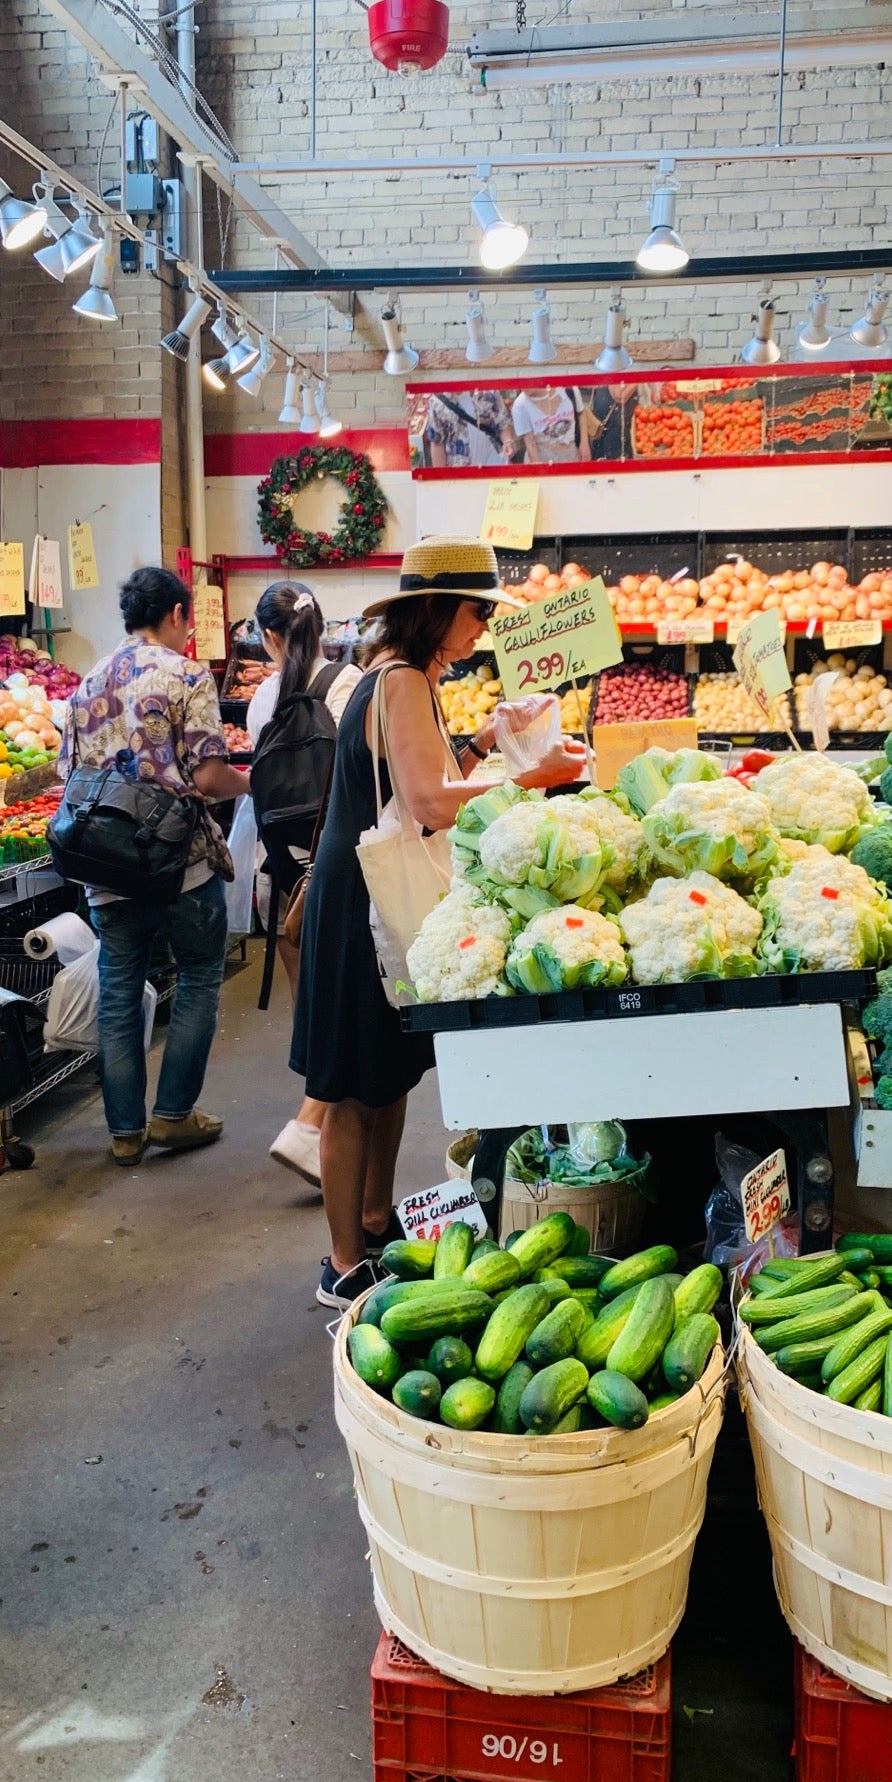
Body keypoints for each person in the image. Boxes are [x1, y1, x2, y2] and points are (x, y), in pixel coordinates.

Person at [289, 536, 588, 1307]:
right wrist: (531, 775)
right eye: (475, 612)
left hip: (362, 901)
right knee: (354, 1090)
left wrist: (487, 741)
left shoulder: (390, 677)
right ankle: (342, 1262)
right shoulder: (403, 684)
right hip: (366, 912)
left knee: (385, 1080)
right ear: (441, 610)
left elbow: (422, 777)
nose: (481, 629)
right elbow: (426, 804)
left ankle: (375, 1219)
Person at [62, 567, 249, 1165]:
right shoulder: (185, 674)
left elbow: (71, 775)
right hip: (177, 862)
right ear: (174, 613)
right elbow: (207, 776)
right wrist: (251, 783)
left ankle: (124, 1132)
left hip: (105, 864)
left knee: (118, 987)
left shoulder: (87, 682)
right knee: (197, 973)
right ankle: (171, 1116)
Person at [246, 584, 361, 1188]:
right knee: (344, 1010)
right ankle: (314, 1128)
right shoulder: (347, 684)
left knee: (311, 1009)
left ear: (268, 636)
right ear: (323, 630)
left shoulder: (262, 696)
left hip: (284, 878)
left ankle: (315, 1125)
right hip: (335, 874)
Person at [511, 386, 584, 465]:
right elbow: (529, 442)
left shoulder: (569, 389)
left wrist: (584, 444)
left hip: (571, 453)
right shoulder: (520, 405)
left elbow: (581, 412)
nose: (523, 386)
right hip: (543, 457)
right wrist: (536, 464)